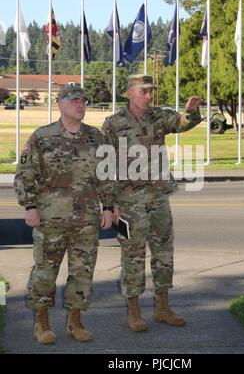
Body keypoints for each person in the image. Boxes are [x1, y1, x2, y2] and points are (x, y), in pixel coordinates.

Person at [14, 84, 116, 344]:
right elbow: (25, 175)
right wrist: (29, 206)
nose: (80, 104)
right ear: (60, 104)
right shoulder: (43, 137)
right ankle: (42, 322)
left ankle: (75, 321)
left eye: (83, 100)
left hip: (87, 219)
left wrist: (107, 207)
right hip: (51, 218)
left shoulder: (96, 138)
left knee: (82, 270)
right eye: (74, 100)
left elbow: (105, 177)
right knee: (45, 270)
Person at [101, 74, 202, 332]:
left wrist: (191, 112)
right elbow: (105, 166)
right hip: (128, 202)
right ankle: (134, 310)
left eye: (150, 91)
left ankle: (163, 307)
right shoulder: (114, 123)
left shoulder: (159, 116)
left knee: (164, 252)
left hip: (158, 198)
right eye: (143, 91)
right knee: (132, 255)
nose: (148, 95)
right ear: (130, 93)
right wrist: (110, 205)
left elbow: (181, 123)